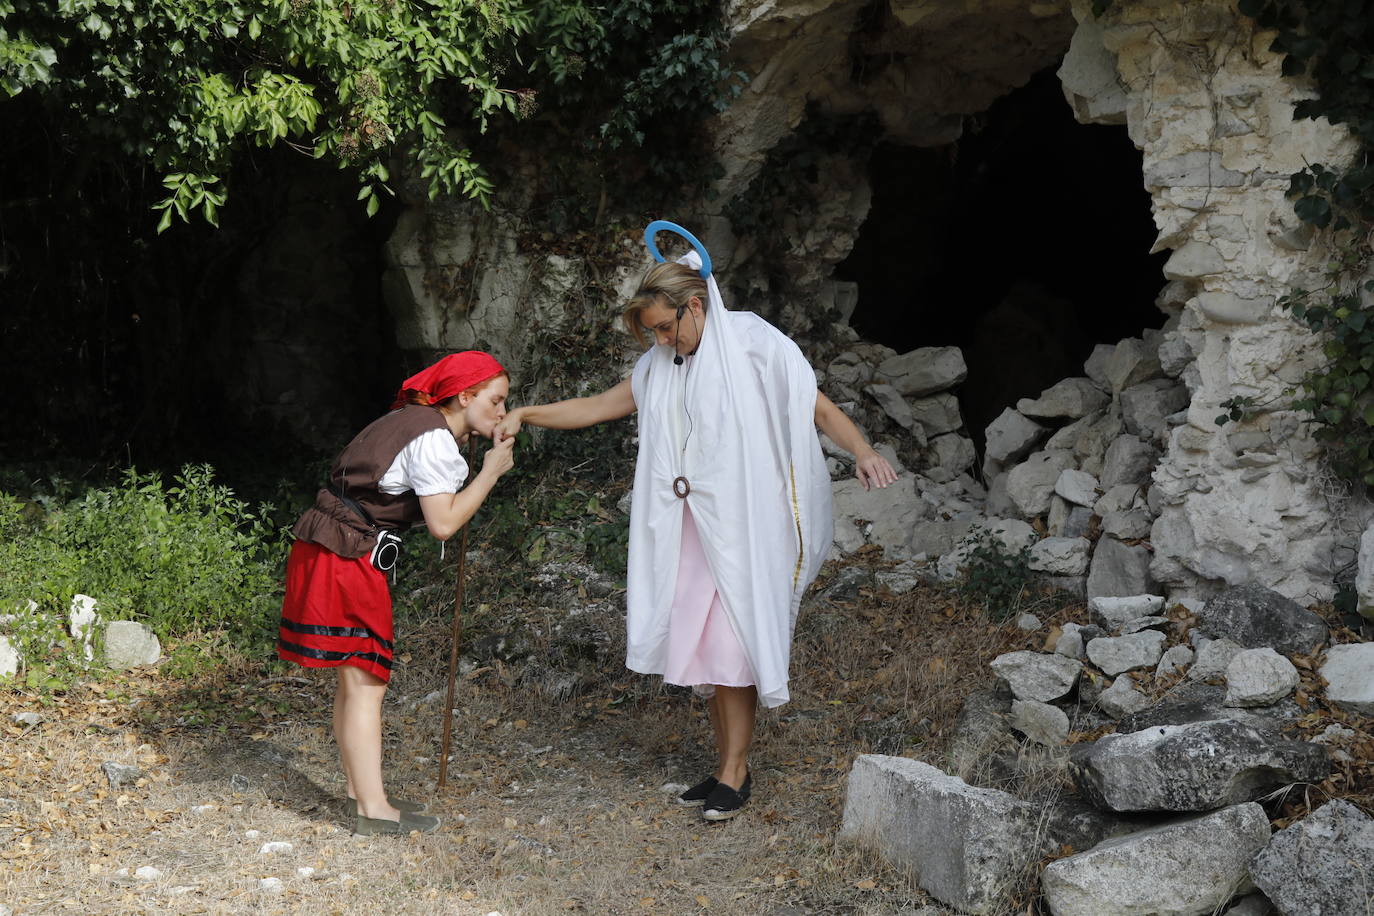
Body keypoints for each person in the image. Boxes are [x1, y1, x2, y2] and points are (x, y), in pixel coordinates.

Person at [494, 250, 896, 821]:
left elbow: (816, 406)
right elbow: (600, 405)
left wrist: (862, 450)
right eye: (652, 332)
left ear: (696, 306)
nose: (660, 341)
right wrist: (528, 413)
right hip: (688, 529)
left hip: (745, 526)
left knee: (733, 647)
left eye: (665, 327)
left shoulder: (753, 344)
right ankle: (725, 766)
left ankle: (736, 772)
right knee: (707, 654)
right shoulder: (661, 364)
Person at [277, 351, 516, 836]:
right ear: (465, 396)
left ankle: (361, 793)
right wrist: (491, 472)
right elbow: (444, 524)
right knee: (367, 680)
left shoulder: (411, 420)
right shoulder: (431, 439)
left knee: (356, 679)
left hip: (332, 548)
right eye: (496, 400)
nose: (501, 411)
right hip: (346, 556)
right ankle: (373, 808)